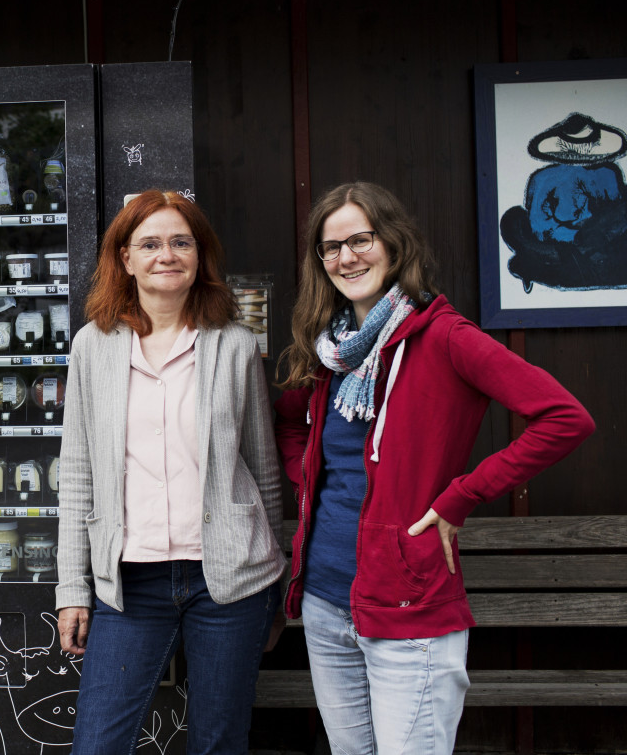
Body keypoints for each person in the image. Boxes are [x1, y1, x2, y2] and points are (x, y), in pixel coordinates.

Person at [275, 181, 595, 754]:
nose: (347, 257)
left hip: (408, 599)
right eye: (331, 247)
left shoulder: (446, 336)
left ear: (395, 245)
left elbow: (563, 418)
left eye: (361, 239)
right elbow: (290, 423)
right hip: (325, 599)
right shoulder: (330, 351)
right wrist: (308, 482)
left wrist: (460, 497)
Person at [55, 190, 286, 755]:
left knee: (218, 741)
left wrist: (276, 586)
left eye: (181, 242)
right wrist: (71, 586)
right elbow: (78, 473)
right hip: (130, 582)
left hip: (228, 578)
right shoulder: (94, 346)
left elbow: (262, 465)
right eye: (150, 243)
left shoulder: (233, 344)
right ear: (125, 258)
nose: (167, 254)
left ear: (200, 255)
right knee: (98, 744)